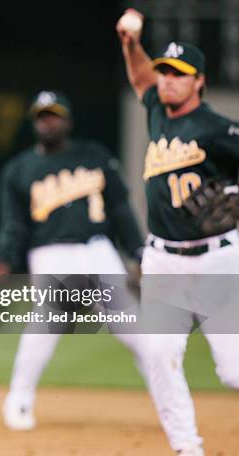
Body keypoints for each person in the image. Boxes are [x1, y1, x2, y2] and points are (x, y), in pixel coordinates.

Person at [0, 90, 146, 431]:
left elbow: (120, 211)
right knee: (48, 321)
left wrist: (139, 253)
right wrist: (3, 259)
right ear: (34, 123)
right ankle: (19, 398)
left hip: (99, 249)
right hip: (51, 251)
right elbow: (13, 224)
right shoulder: (19, 169)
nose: (48, 121)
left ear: (68, 121)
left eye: (54, 115)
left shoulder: (95, 156)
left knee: (134, 331)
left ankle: (168, 399)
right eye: (42, 116)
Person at [118, 9, 239, 456]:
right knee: (159, 355)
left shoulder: (220, 130)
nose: (168, 80)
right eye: (165, 71)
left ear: (199, 81)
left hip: (217, 259)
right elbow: (142, 81)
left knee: (233, 373)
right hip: (163, 259)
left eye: (179, 74)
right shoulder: (157, 110)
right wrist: (131, 44)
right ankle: (187, 448)